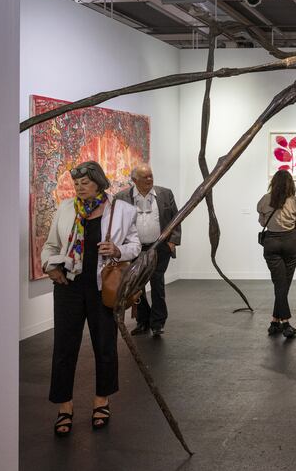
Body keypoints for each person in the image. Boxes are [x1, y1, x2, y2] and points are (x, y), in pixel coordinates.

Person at [40, 161, 140, 436]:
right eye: (76, 183)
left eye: (85, 182)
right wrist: (50, 267)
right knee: (64, 348)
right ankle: (64, 407)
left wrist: (118, 250)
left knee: (105, 345)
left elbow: (136, 245)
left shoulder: (122, 211)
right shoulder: (66, 209)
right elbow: (50, 246)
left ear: (98, 182)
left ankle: (101, 401)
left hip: (102, 288)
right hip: (69, 287)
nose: (79, 187)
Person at [117, 164, 181, 337]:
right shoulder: (122, 197)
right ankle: (142, 321)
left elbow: (176, 218)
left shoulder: (165, 194)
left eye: (151, 176)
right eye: (145, 177)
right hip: (134, 249)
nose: (149, 179)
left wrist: (172, 242)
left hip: (160, 248)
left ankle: (158, 323)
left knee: (157, 283)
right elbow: (117, 224)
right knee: (137, 286)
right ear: (134, 180)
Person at [257, 170, 296, 339]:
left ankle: (274, 321)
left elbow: (262, 221)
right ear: (290, 184)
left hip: (271, 243)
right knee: (283, 284)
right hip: (291, 243)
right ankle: (285, 323)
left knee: (280, 284)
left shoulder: (264, 199)